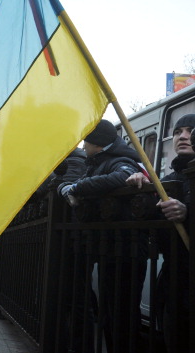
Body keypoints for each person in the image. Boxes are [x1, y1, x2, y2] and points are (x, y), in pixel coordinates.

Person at [126, 113, 195, 351]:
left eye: (191, 131)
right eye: (178, 132)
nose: (183, 136)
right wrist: (141, 186)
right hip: (173, 283)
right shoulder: (168, 180)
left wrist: (188, 213)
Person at [59, 119, 146, 353]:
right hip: (98, 244)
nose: (84, 145)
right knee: (102, 309)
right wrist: (65, 187)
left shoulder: (121, 160)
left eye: (87, 140)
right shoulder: (96, 161)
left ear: (96, 143)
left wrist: (77, 188)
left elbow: (120, 177)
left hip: (121, 248)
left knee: (120, 314)